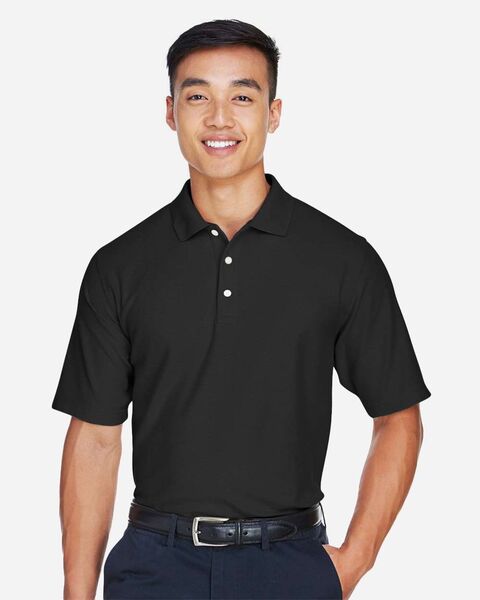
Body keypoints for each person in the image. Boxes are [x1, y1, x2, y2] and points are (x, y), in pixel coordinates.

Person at [51, 18, 432, 600]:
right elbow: (96, 438)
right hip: (154, 567)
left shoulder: (342, 259)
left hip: (290, 564)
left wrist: (352, 563)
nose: (219, 118)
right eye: (198, 96)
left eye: (243, 97)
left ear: (274, 113)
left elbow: (399, 417)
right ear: (171, 112)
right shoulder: (119, 266)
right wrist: (77, 594)